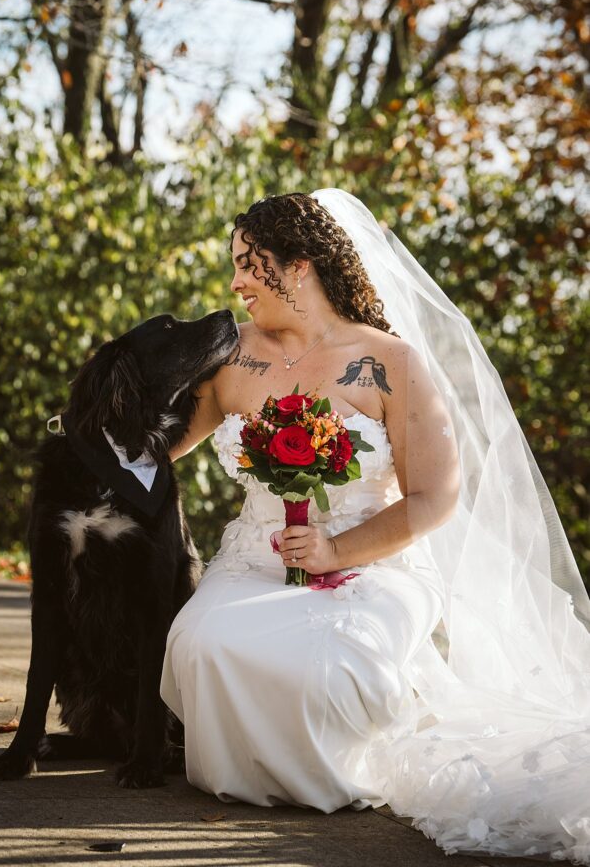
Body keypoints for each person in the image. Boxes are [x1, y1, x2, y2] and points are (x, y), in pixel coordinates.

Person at [160, 190, 590, 864]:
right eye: (235, 264)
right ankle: (245, 775)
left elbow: (433, 497)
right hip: (254, 559)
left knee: (323, 667)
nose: (236, 280)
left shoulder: (391, 362)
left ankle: (339, 767)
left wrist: (334, 550)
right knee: (201, 642)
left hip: (372, 564)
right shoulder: (227, 355)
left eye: (250, 263)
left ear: (298, 267)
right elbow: (156, 447)